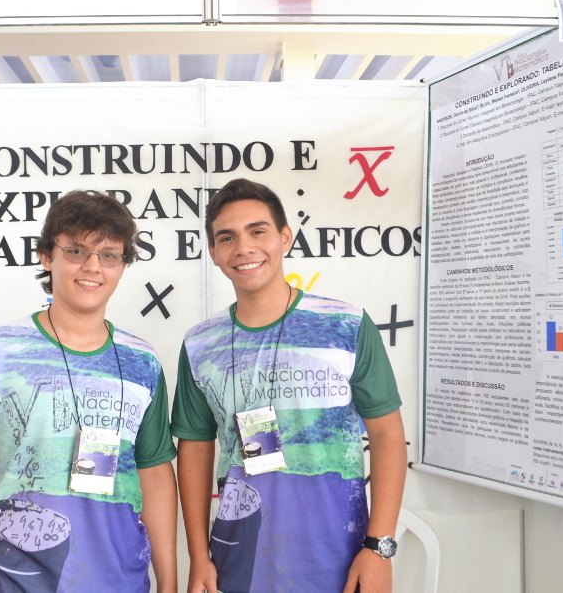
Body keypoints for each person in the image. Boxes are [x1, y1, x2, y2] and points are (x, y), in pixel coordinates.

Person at [0, 190, 178, 593]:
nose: (92, 267)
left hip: (120, 581)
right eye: (76, 251)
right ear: (47, 256)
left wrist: (169, 583)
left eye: (109, 255)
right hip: (12, 581)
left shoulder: (143, 362)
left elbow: (155, 476)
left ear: (122, 265)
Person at [171, 178, 407, 593]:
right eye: (227, 237)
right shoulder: (199, 344)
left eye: (257, 231)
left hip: (339, 558)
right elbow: (194, 448)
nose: (244, 248)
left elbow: (388, 435)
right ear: (213, 252)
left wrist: (379, 547)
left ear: (284, 237)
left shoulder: (345, 325)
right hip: (238, 560)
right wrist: (198, 555)